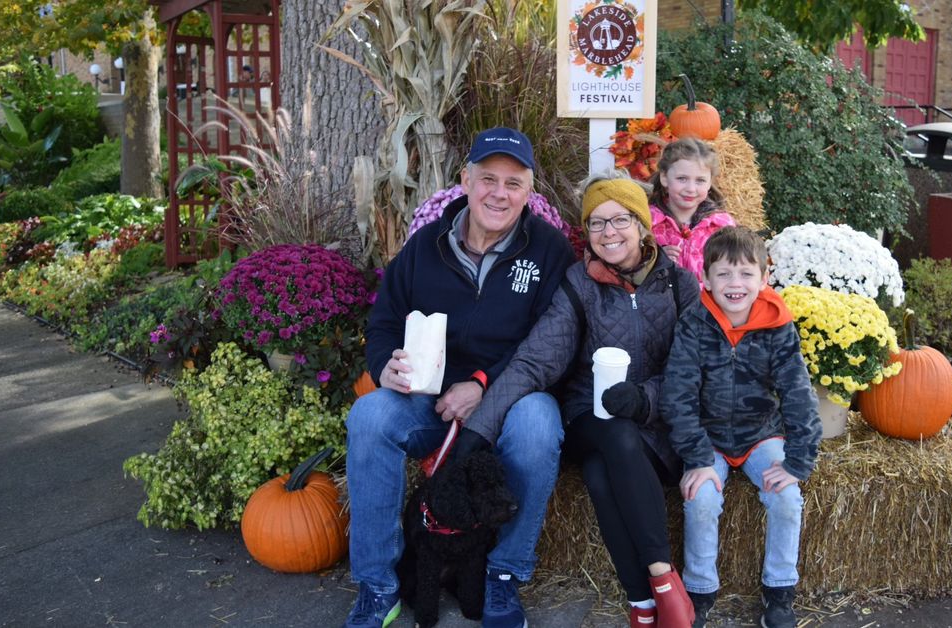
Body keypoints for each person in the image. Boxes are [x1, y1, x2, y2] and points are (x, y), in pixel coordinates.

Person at [344, 127, 576, 628]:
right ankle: (379, 584)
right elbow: (384, 320)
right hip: (428, 399)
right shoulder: (426, 246)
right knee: (369, 416)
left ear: (529, 192)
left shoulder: (550, 251)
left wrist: (484, 385)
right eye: (488, 178)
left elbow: (552, 343)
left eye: (513, 183)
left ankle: (504, 575)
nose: (499, 192)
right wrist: (384, 362)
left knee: (539, 425)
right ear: (465, 181)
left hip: (511, 396)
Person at [466, 171, 699, 628]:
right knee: (613, 434)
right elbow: (535, 361)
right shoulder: (579, 283)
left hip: (655, 422)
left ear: (642, 225)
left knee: (601, 469)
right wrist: (478, 429)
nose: (608, 233)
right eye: (596, 223)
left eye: (620, 220)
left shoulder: (678, 285)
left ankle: (642, 603)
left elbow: (692, 370)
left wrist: (645, 398)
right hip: (587, 418)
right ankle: (665, 578)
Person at [660, 226, 823, 628]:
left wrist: (798, 462)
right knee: (701, 500)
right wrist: (697, 458)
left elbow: (799, 394)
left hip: (760, 435)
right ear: (706, 278)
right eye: (724, 274)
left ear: (764, 278)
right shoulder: (694, 323)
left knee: (786, 499)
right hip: (708, 439)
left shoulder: (777, 327)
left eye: (746, 274)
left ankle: (780, 592)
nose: (735, 284)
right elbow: (676, 396)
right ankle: (700, 592)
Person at [648, 137, 735, 284]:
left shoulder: (722, 226)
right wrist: (654, 260)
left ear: (709, 183)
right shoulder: (648, 222)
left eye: (700, 180)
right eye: (682, 179)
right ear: (664, 177)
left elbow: (735, 268)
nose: (691, 189)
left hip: (707, 304)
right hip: (661, 303)